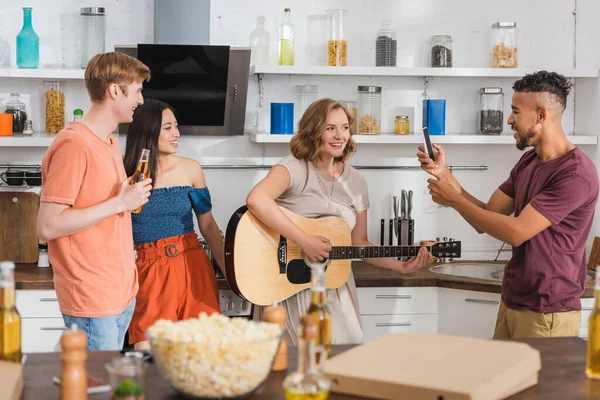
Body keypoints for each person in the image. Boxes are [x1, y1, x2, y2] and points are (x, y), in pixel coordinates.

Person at [418, 71, 599, 339]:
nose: (509, 120)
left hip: (547, 311)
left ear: (541, 115)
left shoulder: (575, 174)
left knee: (537, 383)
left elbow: (516, 231)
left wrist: (453, 199)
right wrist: (445, 174)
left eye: (515, 111)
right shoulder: (529, 161)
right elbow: (489, 215)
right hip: (513, 299)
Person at [247, 98, 435, 345]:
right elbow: (256, 200)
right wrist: (305, 241)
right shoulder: (293, 168)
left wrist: (402, 266)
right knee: (303, 362)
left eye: (345, 127)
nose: (340, 135)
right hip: (289, 285)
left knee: (345, 355)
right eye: (330, 128)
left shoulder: (356, 181)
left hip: (336, 285)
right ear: (313, 132)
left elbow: (360, 243)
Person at [37, 52, 152, 350]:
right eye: (138, 90)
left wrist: (125, 194)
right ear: (115, 90)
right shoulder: (75, 144)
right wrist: (119, 203)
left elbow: (104, 203)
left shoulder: (110, 142)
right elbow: (48, 226)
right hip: (91, 297)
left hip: (119, 293)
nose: (140, 100)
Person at [123, 99, 224, 350]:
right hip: (148, 271)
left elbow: (209, 226)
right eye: (168, 127)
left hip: (193, 266)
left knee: (202, 353)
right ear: (148, 130)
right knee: (147, 352)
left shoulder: (191, 169)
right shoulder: (123, 170)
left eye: (176, 126)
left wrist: (230, 271)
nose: (176, 134)